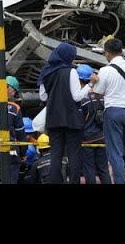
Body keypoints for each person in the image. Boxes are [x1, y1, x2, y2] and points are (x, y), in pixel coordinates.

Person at [89, 38, 125, 184]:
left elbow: (98, 94)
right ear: (121, 51)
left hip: (114, 111)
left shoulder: (105, 70)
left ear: (107, 54)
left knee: (115, 153)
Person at [38, 42, 92, 184]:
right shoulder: (71, 71)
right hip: (72, 119)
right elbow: (77, 96)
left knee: (56, 154)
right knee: (74, 153)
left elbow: (43, 97)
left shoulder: (46, 71)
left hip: (53, 118)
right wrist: (90, 85)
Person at [77, 64, 111, 184]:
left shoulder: (81, 98)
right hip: (102, 136)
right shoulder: (102, 96)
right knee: (103, 168)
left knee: (89, 168)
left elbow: (79, 121)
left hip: (87, 138)